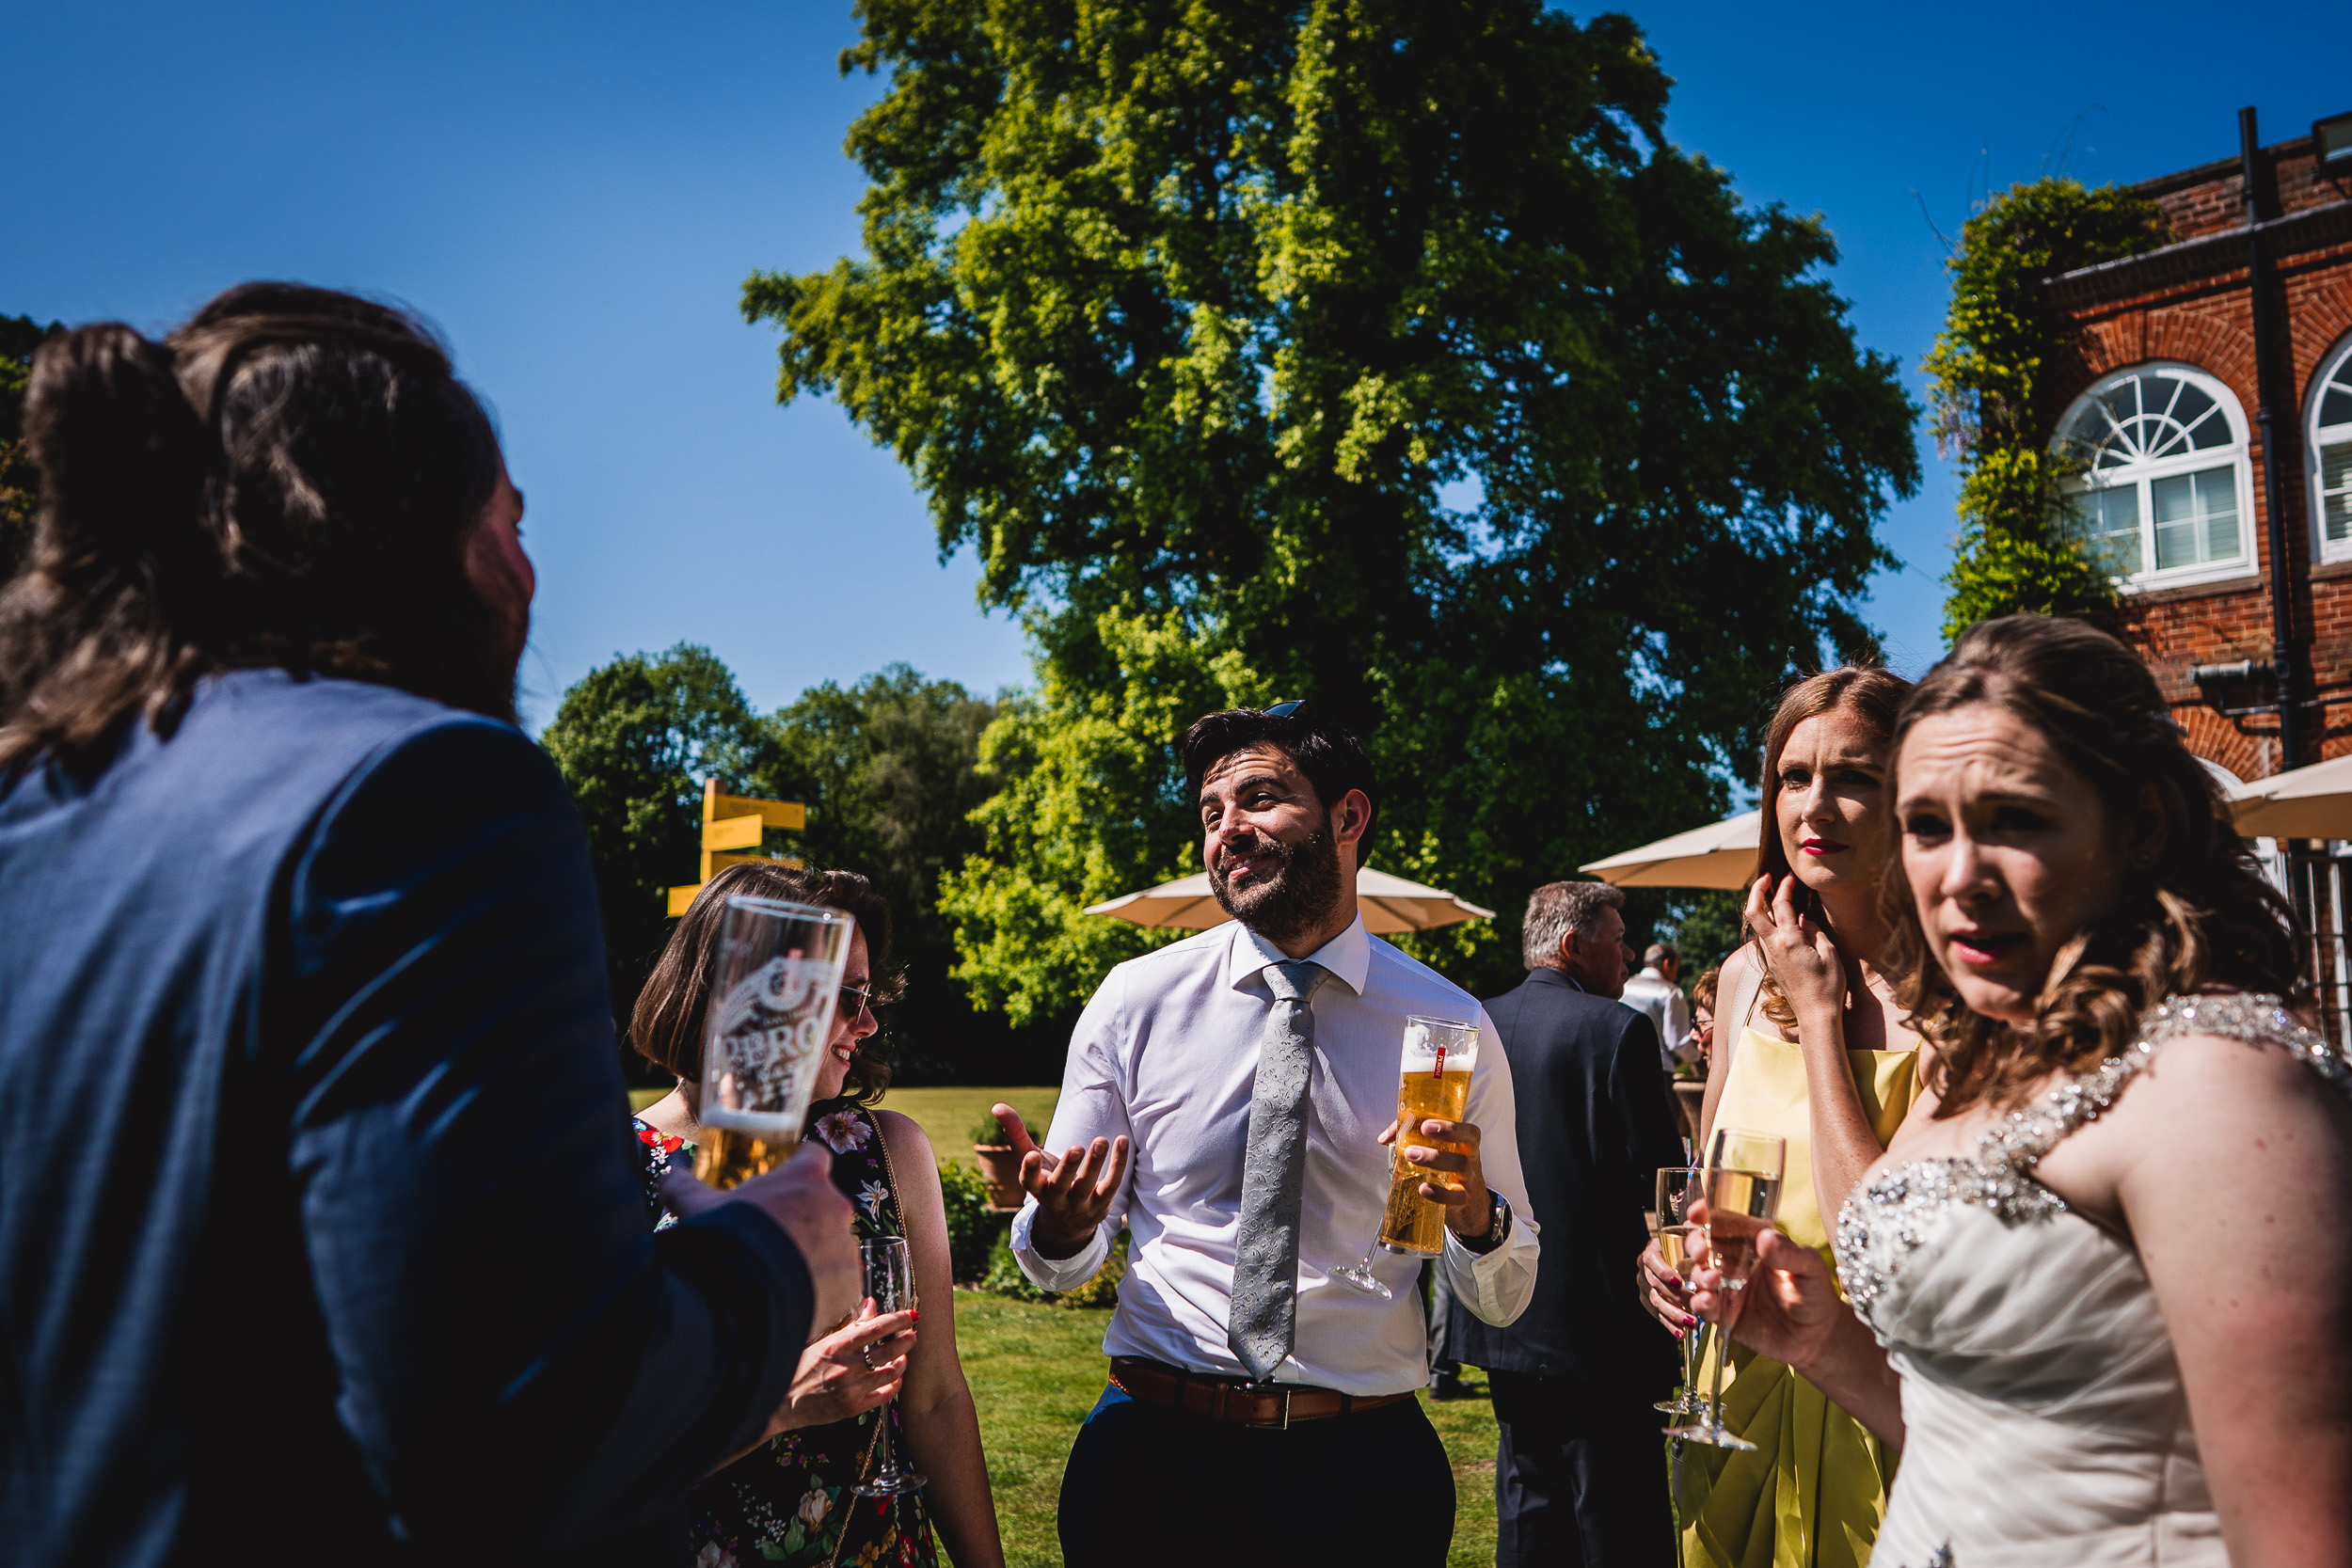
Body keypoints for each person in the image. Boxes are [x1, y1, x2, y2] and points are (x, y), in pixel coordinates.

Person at [0, 287, 855, 1563]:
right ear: (412, 537)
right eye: (509, 522)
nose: (528, 573)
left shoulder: (36, 800)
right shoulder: (427, 793)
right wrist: (777, 1255)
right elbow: (526, 1424)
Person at [1690, 614, 2352, 1566]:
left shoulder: (2219, 1084)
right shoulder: (1984, 1051)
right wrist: (1824, 1341)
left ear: (2141, 826)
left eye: (2016, 818)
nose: (1960, 876)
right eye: (1926, 825)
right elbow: (1973, 1443)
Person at [996, 702, 1540, 1566]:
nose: (1227, 831)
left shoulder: (1446, 1021)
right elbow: (1055, 1254)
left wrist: (1477, 1213)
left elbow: (1505, 1296)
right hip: (1151, 1460)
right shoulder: (1135, 1002)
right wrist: (1062, 1226)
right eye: (1212, 814)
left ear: (1348, 816)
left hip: (1362, 1475)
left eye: (1258, 797)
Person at [632, 862, 1005, 1568]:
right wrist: (784, 1402)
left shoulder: (884, 1151)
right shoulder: (616, 1173)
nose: (866, 1024)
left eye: (869, 995)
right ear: (750, 986)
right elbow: (592, 1457)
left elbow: (933, 1399)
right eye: (845, 994)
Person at [1639, 666, 1922, 1568]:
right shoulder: (1738, 977)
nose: (1815, 806)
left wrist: (1817, 1014)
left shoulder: (1961, 995)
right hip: (1734, 1385)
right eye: (1793, 778)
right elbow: (1706, 1180)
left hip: (1886, 1397)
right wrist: (1668, 1251)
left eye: (1852, 777)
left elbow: (1875, 1242)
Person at [1447, 880, 1686, 1566]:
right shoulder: (1616, 1030)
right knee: (1620, 1516)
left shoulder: (1475, 1022)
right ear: (1575, 944)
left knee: (1528, 1506)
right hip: (1601, 1321)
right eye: (1618, 937)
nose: (1630, 952)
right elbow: (1665, 1182)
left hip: (1502, 1307)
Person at [1620, 942, 1694, 1072]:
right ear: (1666, 964)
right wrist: (1696, 1057)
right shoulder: (1671, 992)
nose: (1676, 975)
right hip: (1656, 1068)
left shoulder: (1623, 986)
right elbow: (1677, 1042)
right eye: (1676, 967)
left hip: (1621, 1066)